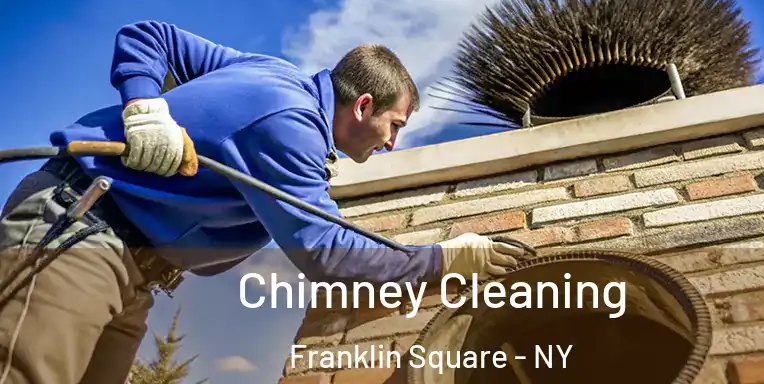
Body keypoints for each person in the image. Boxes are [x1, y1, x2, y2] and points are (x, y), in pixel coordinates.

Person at [0, 20, 527, 384]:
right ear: (364, 105)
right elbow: (329, 251)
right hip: (77, 230)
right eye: (395, 126)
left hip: (129, 267)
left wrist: (147, 103)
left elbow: (152, 36)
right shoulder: (291, 123)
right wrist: (443, 259)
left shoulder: (270, 74)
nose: (393, 142)